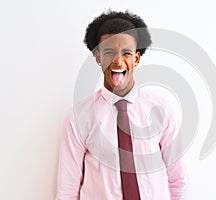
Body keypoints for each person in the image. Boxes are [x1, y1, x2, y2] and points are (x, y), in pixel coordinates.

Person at [56, 10, 189, 200]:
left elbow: (179, 179)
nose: (118, 61)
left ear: (136, 58)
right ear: (98, 57)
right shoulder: (78, 117)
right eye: (109, 52)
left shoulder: (162, 109)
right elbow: (67, 188)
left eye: (126, 53)